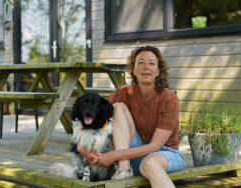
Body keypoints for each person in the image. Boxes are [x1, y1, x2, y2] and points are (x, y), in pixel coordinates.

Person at [78, 45, 186, 187]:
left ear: (158, 71)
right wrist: (82, 145)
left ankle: (126, 168)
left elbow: (155, 146)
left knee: (150, 163)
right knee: (117, 108)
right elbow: (96, 114)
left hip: (165, 155)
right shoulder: (125, 93)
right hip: (133, 157)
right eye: (140, 62)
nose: (146, 67)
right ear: (134, 70)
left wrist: (114, 155)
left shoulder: (168, 99)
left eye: (152, 63)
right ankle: (124, 171)